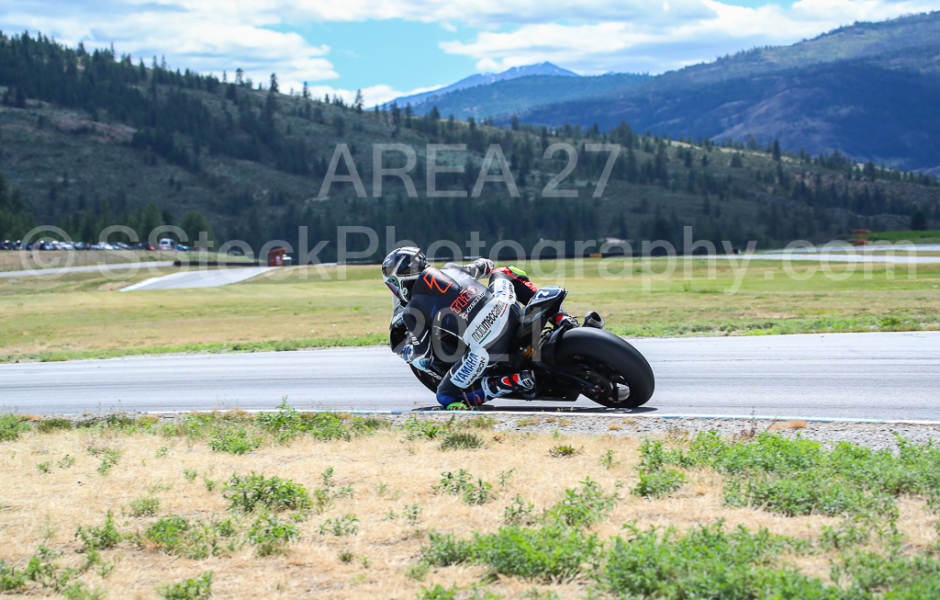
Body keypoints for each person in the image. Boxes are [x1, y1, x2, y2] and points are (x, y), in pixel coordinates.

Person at [383, 246, 577, 410]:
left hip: (488, 346)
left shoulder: (412, 311)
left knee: (445, 396)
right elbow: (487, 266)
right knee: (505, 272)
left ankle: (514, 381)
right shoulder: (451, 268)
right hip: (508, 308)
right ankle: (561, 317)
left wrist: (407, 353)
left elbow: (424, 358)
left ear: (400, 282)